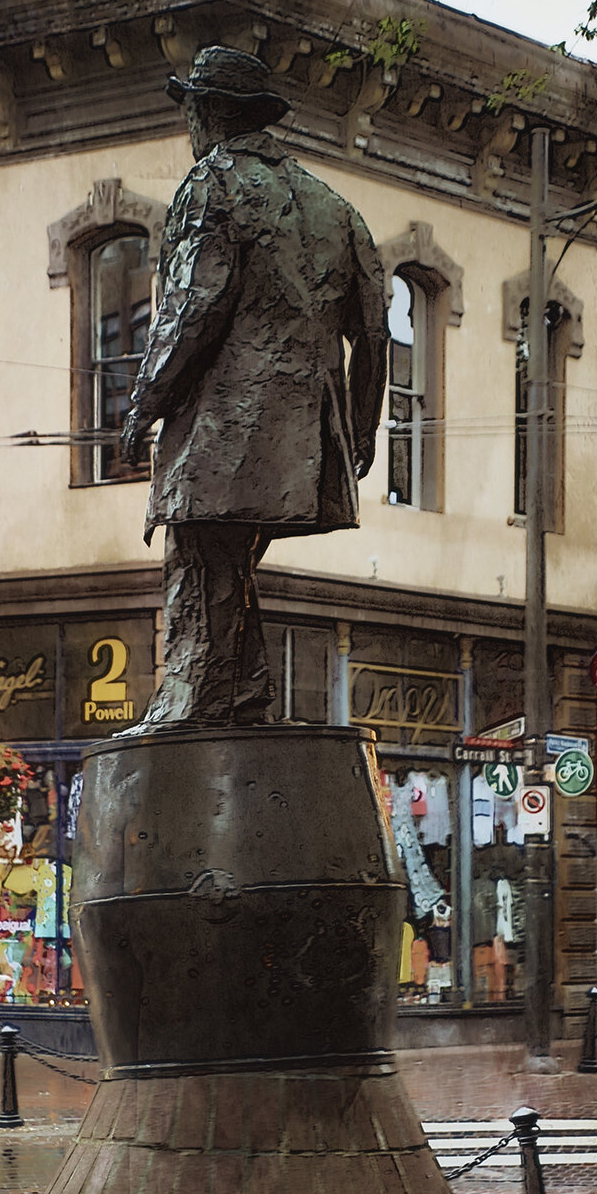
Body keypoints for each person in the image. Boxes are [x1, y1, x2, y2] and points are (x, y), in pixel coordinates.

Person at [119, 46, 388, 726]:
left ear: (207, 113)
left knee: (199, 554)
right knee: (231, 564)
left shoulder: (213, 182)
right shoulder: (335, 206)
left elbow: (192, 307)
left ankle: (190, 701)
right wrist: (359, 430)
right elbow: (376, 336)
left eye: (190, 111)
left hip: (226, 426)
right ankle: (242, 691)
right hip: (304, 437)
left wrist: (143, 406)